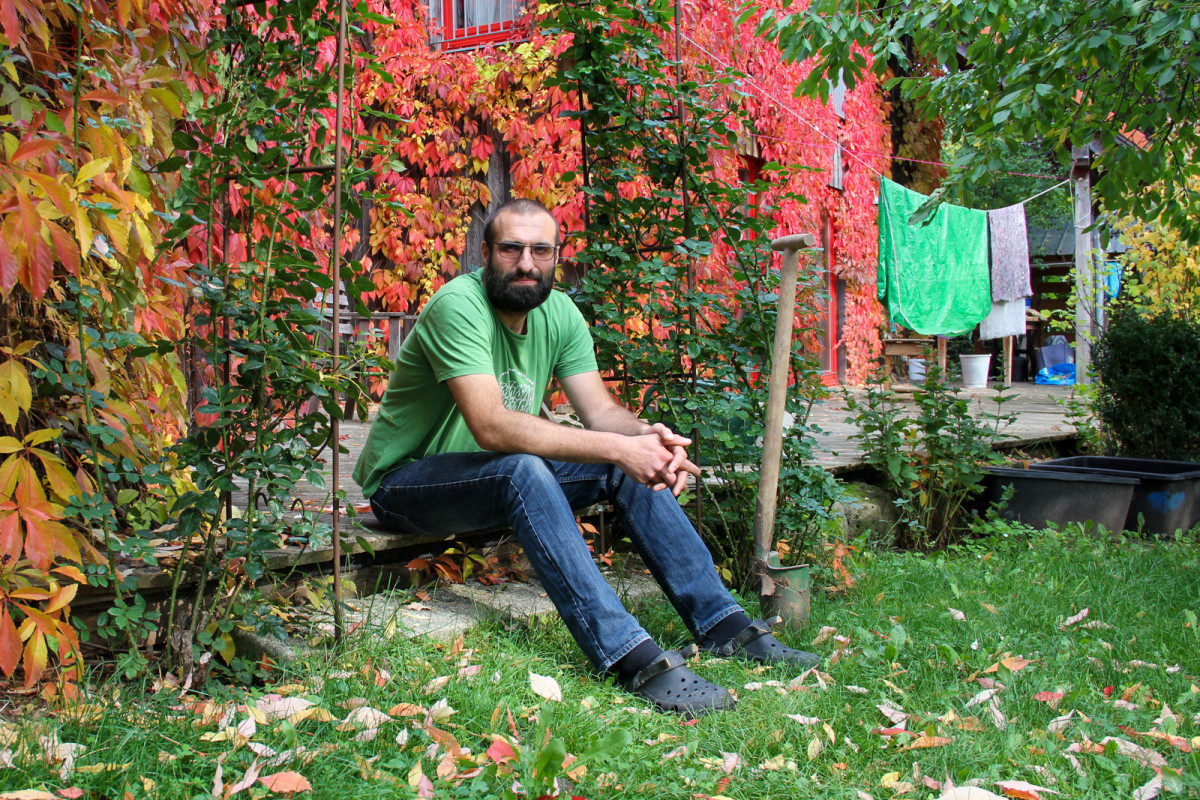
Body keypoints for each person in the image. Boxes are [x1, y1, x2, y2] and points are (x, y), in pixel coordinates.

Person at [353, 198, 819, 715]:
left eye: (540, 250)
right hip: (407, 483)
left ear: (557, 256)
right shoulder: (457, 306)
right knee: (524, 470)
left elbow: (600, 412)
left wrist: (644, 437)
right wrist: (619, 449)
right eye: (511, 249)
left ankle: (724, 625)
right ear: (485, 253)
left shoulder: (559, 313)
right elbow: (491, 425)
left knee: (604, 464)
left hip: (497, 476)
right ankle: (629, 656)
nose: (527, 263)